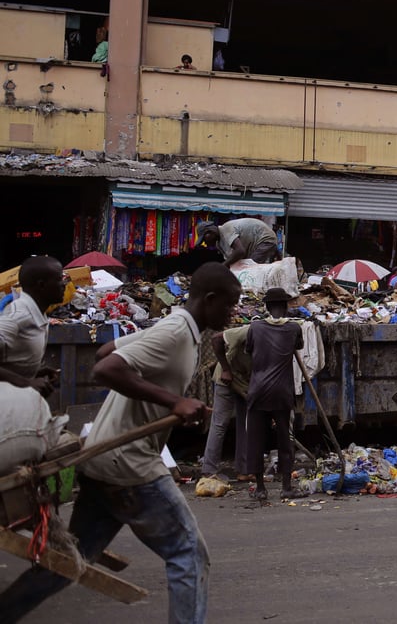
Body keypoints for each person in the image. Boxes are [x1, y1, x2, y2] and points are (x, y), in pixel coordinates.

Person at [0, 262, 240, 623]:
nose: (232, 312)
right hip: (131, 465)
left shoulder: (174, 327)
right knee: (189, 555)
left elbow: (105, 351)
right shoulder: (175, 331)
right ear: (209, 299)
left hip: (102, 459)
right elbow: (105, 369)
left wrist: (169, 399)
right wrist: (173, 400)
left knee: (68, 562)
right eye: (229, 304)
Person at [245, 287, 308, 501]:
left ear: (267, 307)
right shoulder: (293, 329)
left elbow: (249, 350)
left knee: (256, 441)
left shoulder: (254, 327)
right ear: (285, 307)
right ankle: (287, 487)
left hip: (258, 391)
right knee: (285, 440)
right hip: (282, 393)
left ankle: (261, 488)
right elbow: (298, 346)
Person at [0, 256, 65, 395]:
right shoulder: (18, 316)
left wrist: (33, 372)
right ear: (41, 285)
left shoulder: (39, 313)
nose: (64, 284)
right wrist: (26, 382)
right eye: (59, 279)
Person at [200, 327, 253, 481]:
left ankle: (244, 470)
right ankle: (209, 471)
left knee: (247, 424)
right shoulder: (247, 331)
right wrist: (225, 369)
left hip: (245, 383)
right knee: (220, 423)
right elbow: (216, 339)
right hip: (226, 379)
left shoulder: (272, 342)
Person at [196, 218, 280, 266]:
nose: (205, 243)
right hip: (255, 246)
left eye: (204, 239)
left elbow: (240, 251)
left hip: (265, 239)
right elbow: (232, 260)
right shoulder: (219, 244)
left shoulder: (226, 229)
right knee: (246, 267)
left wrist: (223, 266)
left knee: (251, 269)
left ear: (210, 232)